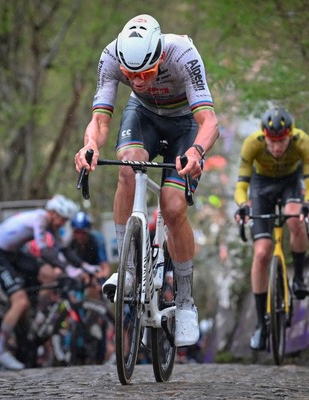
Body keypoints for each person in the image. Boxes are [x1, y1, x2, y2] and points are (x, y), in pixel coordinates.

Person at [74, 14, 219, 347]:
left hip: (186, 124)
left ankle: (185, 301)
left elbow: (209, 121)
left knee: (172, 206)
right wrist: (90, 145)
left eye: (146, 73)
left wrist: (196, 152)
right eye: (131, 75)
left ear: (160, 57)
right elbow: (100, 119)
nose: (138, 81)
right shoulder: (111, 56)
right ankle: (127, 269)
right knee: (127, 168)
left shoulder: (182, 54)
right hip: (143, 116)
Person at [234, 107, 309, 351]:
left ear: (290, 135)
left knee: (295, 218)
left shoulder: (303, 142)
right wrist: (243, 205)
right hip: (261, 187)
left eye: (281, 141)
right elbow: (242, 185)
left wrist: (308, 203)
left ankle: (299, 278)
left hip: (291, 182)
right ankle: (262, 324)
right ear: (264, 137)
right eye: (272, 141)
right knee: (262, 252)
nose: (277, 147)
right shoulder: (252, 144)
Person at [0, 194, 80, 369]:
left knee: (48, 273)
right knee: (21, 301)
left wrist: (85, 267)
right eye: (62, 219)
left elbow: (63, 249)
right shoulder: (40, 219)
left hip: (13, 253)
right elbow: (44, 251)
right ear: (53, 213)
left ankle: (39, 316)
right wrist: (68, 268)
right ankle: (0, 349)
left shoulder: (51, 224)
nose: (62, 224)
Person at [69, 211, 111, 299]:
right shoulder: (70, 242)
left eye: (82, 232)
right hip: (78, 273)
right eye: (77, 232)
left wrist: (99, 277)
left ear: (88, 231)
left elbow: (105, 267)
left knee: (95, 288)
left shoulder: (97, 240)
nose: (79, 236)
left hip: (95, 272)